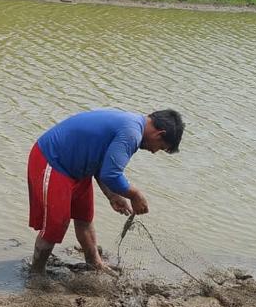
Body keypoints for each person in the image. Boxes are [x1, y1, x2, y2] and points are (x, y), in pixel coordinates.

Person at [28, 108, 185, 273]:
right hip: (54, 161)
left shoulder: (131, 125)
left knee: (84, 217)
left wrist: (112, 195)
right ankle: (36, 273)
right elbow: (111, 174)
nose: (154, 152)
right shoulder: (132, 133)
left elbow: (103, 165)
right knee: (56, 225)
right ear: (159, 133)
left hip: (79, 168)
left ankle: (94, 262)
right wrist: (135, 195)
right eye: (160, 147)